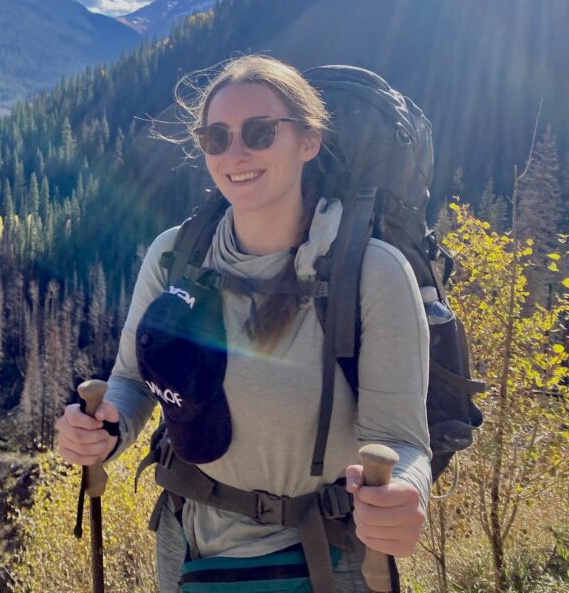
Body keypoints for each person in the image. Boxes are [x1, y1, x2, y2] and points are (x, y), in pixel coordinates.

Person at [56, 55, 430, 592]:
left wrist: (404, 493)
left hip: (320, 557)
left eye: (259, 132)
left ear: (308, 141)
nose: (236, 154)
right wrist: (103, 434)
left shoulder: (370, 273)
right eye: (216, 137)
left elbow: (402, 441)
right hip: (185, 548)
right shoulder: (175, 256)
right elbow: (132, 380)